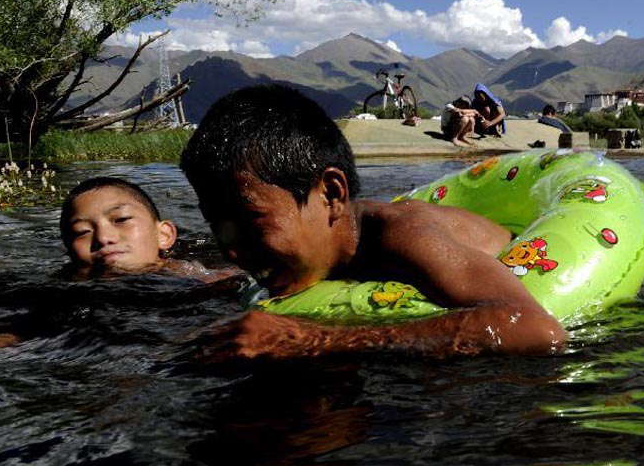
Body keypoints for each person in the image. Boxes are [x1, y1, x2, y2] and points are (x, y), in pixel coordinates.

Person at [180, 85, 565, 359]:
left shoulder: (404, 237)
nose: (231, 248)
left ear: (331, 194)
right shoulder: (307, 250)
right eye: (218, 224)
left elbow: (534, 328)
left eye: (250, 220)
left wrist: (319, 339)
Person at [60, 177, 235, 281]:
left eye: (121, 219)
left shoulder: (196, 277)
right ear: (69, 251)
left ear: (163, 235)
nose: (104, 238)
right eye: (82, 232)